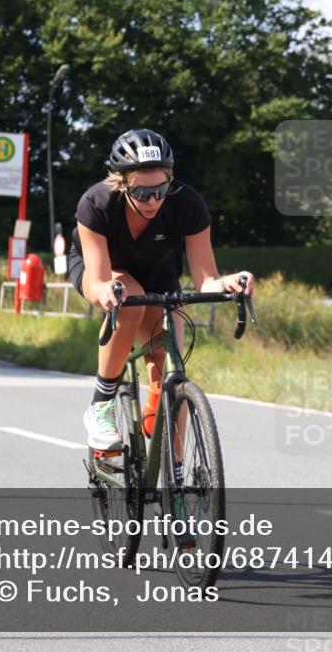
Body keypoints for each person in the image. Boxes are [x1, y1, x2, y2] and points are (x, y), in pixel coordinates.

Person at [68, 128, 254, 454]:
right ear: (122, 183)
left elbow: (206, 278)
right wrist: (106, 292)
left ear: (170, 179)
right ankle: (101, 404)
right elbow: (98, 284)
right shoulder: (96, 203)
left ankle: (178, 486)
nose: (153, 200)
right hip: (103, 272)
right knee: (128, 298)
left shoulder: (188, 204)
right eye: (141, 193)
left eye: (160, 190)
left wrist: (226, 283)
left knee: (173, 382)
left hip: (160, 277)